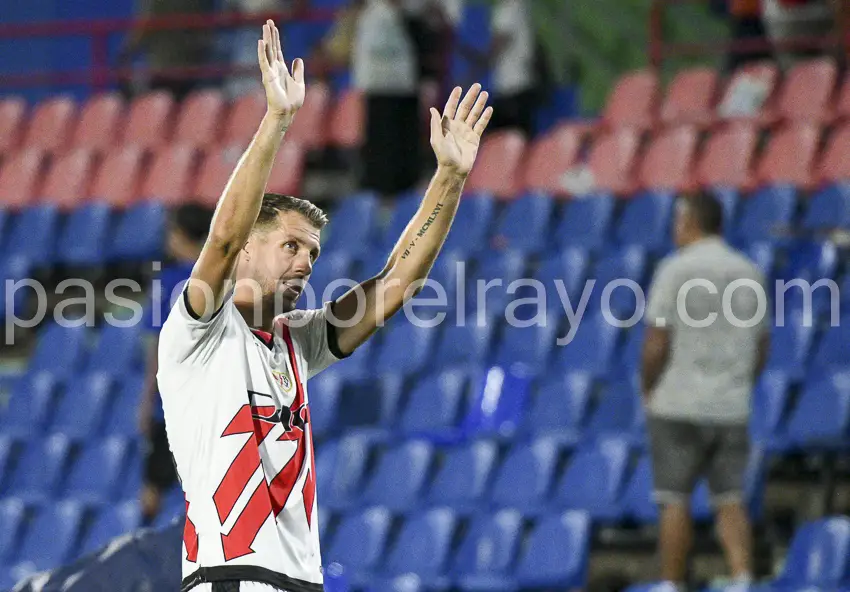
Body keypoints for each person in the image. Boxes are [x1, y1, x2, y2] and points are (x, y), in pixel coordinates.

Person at [156, 20, 492, 592]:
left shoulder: (295, 340)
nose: (305, 262)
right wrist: (277, 120)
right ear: (248, 251)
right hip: (230, 575)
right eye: (290, 245)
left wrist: (450, 178)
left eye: (312, 253)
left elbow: (393, 286)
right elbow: (222, 239)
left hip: (298, 580)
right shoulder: (199, 331)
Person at [641, 192, 771, 589]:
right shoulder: (750, 272)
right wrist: (741, 384)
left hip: (679, 404)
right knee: (730, 496)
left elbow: (657, 342)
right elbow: (762, 344)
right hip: (730, 406)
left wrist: (648, 388)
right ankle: (742, 576)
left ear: (690, 221)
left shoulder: (674, 270)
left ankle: (671, 583)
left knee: (674, 497)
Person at [138, 203, 214, 525]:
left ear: (180, 235)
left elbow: (158, 347)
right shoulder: (226, 278)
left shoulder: (170, 282)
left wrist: (147, 399)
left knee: (154, 486)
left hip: (172, 401)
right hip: (213, 399)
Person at [353, 0, 423, 196]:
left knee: (405, 147)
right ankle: (383, 194)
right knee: (384, 148)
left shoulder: (405, 14)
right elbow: (377, 51)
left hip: (403, 89)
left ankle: (405, 191)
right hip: (381, 90)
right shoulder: (375, 16)